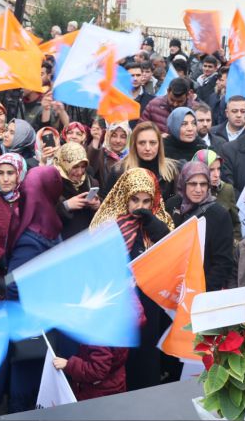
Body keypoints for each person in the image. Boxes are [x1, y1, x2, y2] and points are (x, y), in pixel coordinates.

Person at [89, 167, 173, 390]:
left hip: (149, 302)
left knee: (146, 356)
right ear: (124, 196)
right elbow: (96, 261)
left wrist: (152, 223)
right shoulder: (107, 222)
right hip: (118, 300)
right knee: (119, 358)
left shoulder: (159, 220)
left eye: (147, 201)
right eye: (134, 200)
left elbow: (171, 249)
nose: (140, 207)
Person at [5, 166, 64, 413]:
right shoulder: (32, 238)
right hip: (34, 327)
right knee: (28, 391)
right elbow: (14, 286)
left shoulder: (44, 223)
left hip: (46, 323)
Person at [165, 162, 234, 291]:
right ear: (183, 183)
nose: (198, 189)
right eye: (192, 184)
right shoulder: (172, 205)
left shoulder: (219, 215)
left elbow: (223, 262)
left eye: (203, 184)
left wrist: (202, 291)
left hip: (201, 290)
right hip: (170, 286)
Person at [105, 121, 179, 202]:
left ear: (159, 144)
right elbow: (107, 206)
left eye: (152, 143)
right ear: (134, 145)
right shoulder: (118, 171)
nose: (147, 148)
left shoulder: (172, 170)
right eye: (142, 143)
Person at [192, 149, 241, 242]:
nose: (217, 175)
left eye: (218, 169)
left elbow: (235, 223)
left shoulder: (227, 189)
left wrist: (234, 246)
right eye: (211, 170)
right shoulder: (189, 192)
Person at [54, 142, 100, 239]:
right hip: (64, 244)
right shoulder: (53, 183)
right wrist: (66, 206)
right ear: (64, 164)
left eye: (83, 167)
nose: (79, 172)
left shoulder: (91, 182)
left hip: (88, 240)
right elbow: (45, 216)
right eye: (75, 167)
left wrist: (97, 205)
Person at [52, 346, 129, 401]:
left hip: (96, 392)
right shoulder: (115, 331)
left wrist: (68, 364)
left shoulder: (99, 339)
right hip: (114, 383)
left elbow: (97, 370)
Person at [87, 122, 130, 188]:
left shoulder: (132, 157)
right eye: (114, 135)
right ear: (108, 136)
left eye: (123, 137)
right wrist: (96, 139)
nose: (118, 141)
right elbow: (90, 168)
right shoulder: (102, 154)